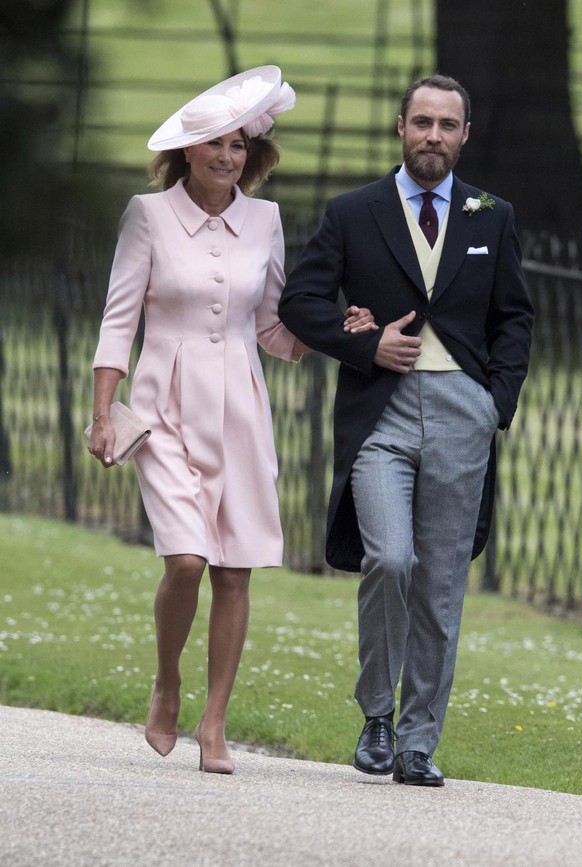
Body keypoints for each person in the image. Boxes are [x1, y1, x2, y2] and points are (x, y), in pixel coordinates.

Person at [88, 66, 374, 775]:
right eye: (216, 144)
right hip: (165, 407)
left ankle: (214, 721)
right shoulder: (146, 215)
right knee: (185, 559)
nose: (228, 156)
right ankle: (167, 681)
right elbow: (119, 317)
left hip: (242, 409)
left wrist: (337, 328)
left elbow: (275, 328)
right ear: (187, 150)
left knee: (236, 572)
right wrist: (102, 411)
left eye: (240, 145)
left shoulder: (266, 221)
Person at [279, 74, 534, 786]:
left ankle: (419, 741)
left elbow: (515, 317)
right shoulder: (354, 212)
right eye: (422, 121)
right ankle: (377, 714)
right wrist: (364, 345)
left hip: (463, 411)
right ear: (400, 127)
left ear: (464, 135)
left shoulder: (493, 216)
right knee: (389, 559)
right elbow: (300, 301)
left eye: (447, 125)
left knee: (441, 582)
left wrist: (495, 403)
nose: (433, 135)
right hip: (380, 414)